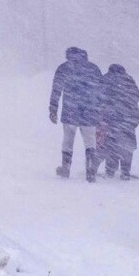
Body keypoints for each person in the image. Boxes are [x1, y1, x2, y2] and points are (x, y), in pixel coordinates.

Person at [49, 47, 103, 182]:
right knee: (90, 143)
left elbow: (56, 90)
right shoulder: (93, 68)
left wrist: (53, 109)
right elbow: (101, 91)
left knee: (68, 141)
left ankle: (66, 168)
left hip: (70, 110)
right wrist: (100, 109)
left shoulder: (64, 68)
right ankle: (90, 171)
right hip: (90, 112)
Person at [99, 64, 139, 180]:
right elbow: (137, 96)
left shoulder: (106, 79)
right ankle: (125, 172)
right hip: (130, 118)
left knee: (111, 144)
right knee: (127, 145)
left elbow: (99, 97)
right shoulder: (129, 80)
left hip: (112, 118)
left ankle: (110, 171)